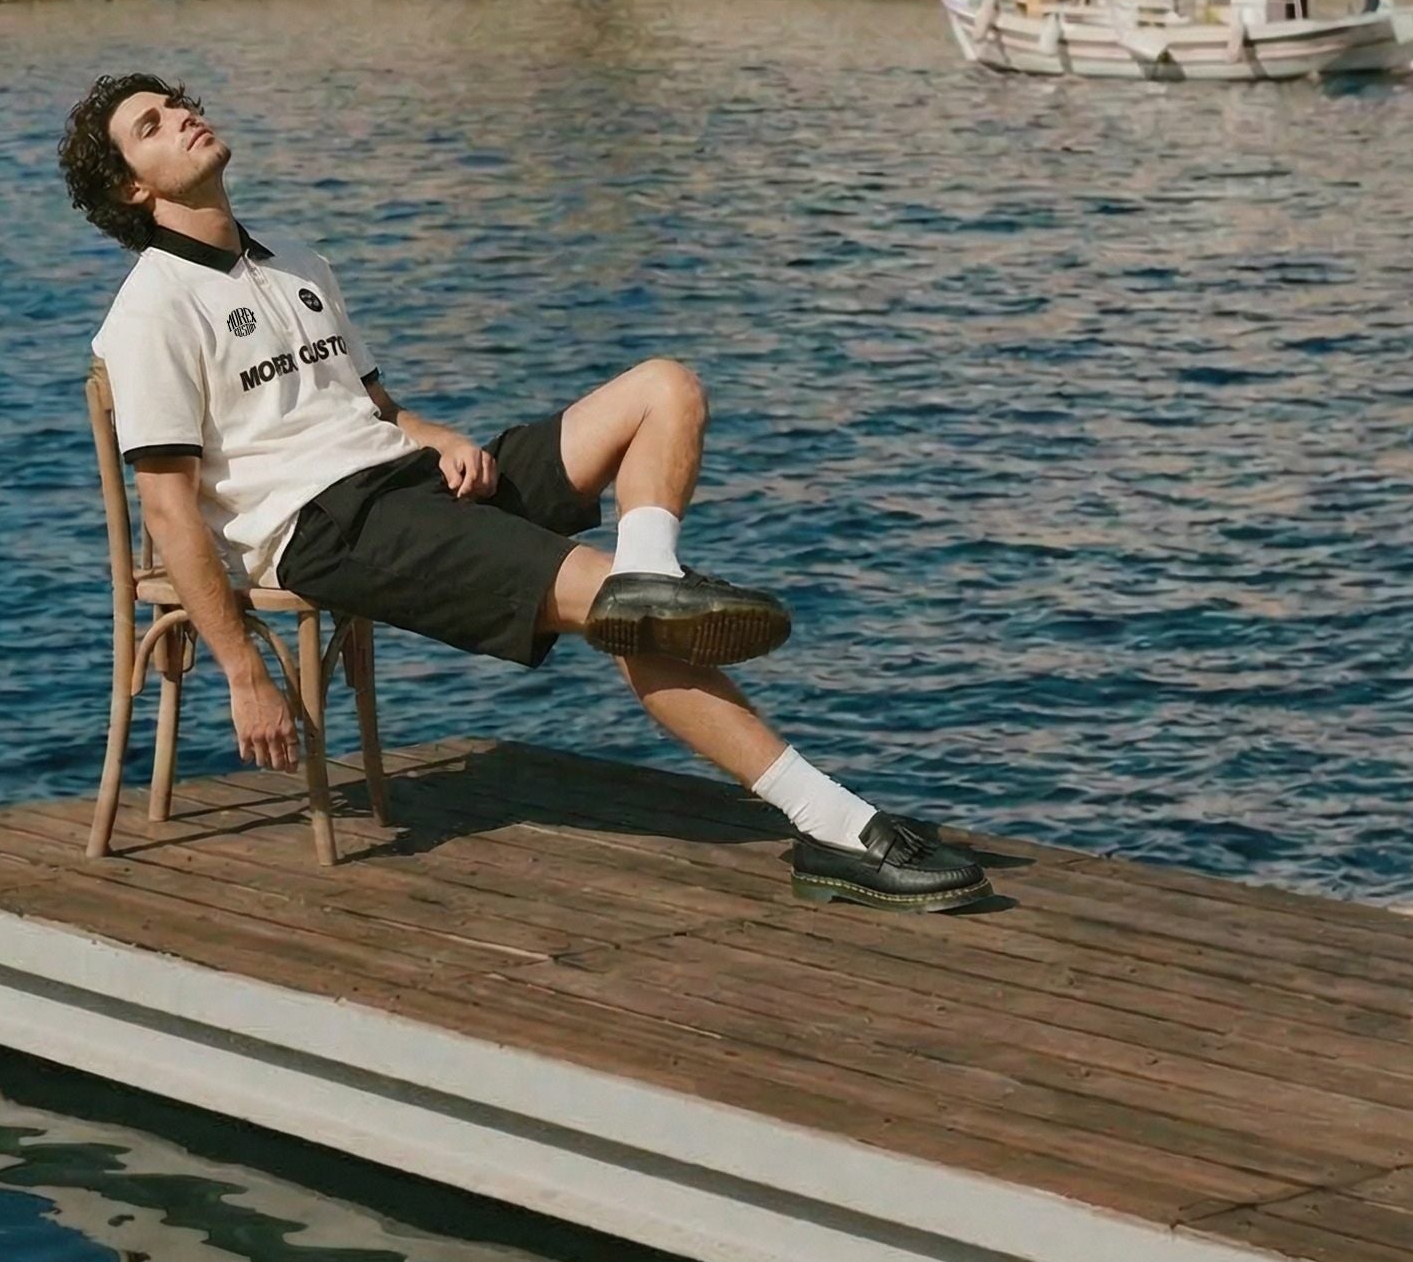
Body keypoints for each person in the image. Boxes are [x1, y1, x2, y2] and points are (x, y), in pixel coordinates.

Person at [59, 72, 986, 914]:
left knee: (665, 387)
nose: (185, 114)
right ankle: (833, 825)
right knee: (623, 613)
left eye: (178, 101)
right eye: (154, 123)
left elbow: (374, 406)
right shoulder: (149, 311)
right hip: (328, 525)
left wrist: (442, 436)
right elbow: (171, 510)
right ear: (133, 188)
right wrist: (243, 671)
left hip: (409, 477)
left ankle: (650, 571)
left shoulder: (295, 257)